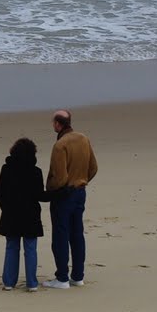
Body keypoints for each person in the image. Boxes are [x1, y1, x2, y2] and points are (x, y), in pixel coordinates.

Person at [43, 109, 97, 289]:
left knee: (60, 235)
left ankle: (62, 277)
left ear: (58, 124)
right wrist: (82, 180)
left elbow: (59, 178)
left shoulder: (60, 146)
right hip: (80, 192)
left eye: (54, 122)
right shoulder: (83, 138)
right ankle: (78, 275)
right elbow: (93, 168)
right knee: (77, 234)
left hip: (64, 195)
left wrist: (49, 189)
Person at [0, 136, 44, 291]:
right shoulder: (36, 172)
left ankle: (9, 283)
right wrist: (58, 193)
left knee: (11, 247)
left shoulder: (6, 169)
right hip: (30, 215)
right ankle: (31, 283)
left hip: (11, 214)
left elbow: (1, 194)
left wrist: (5, 209)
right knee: (30, 249)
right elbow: (40, 196)